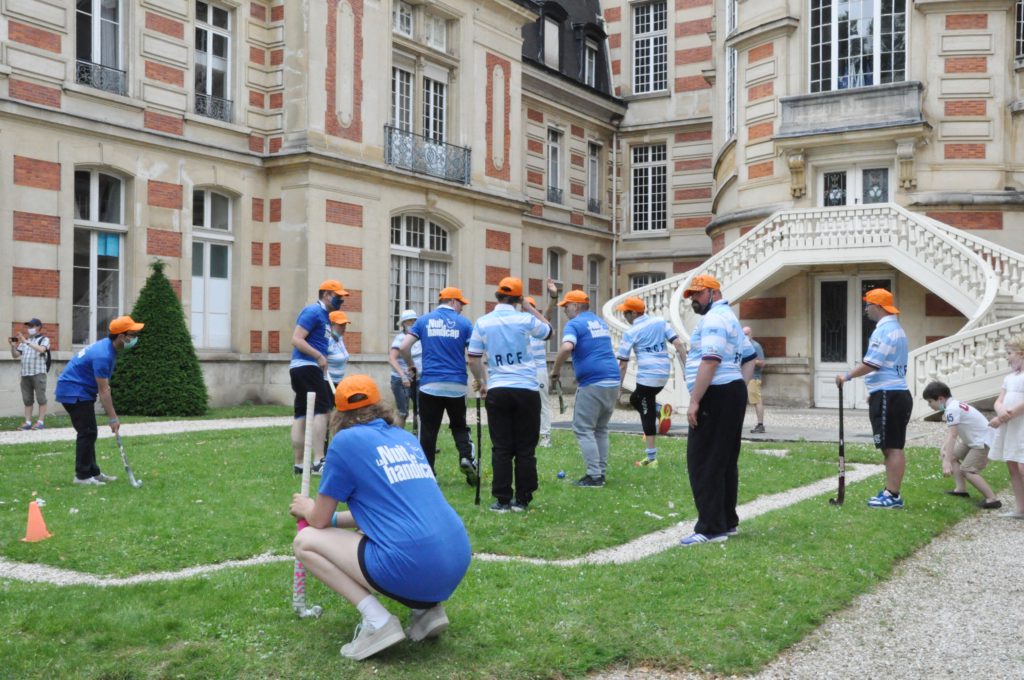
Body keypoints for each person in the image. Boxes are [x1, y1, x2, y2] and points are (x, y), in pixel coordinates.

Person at [289, 375, 471, 660]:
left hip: (413, 563)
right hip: (456, 556)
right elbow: (384, 511)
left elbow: (319, 520)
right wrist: (335, 521)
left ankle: (379, 622)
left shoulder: (346, 442)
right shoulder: (404, 438)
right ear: (380, 405)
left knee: (306, 542)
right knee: (375, 536)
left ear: (340, 414)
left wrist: (306, 507)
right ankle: (426, 610)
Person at [680, 274, 755, 546]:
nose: (693, 301)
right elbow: (749, 357)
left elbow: (710, 361)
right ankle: (727, 521)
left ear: (713, 292)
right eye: (691, 296)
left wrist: (695, 400)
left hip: (716, 394)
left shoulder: (712, 319)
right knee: (724, 461)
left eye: (698, 295)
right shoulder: (730, 317)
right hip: (730, 391)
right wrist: (738, 384)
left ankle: (711, 527)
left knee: (703, 461)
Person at [468, 277, 552, 512]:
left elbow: (473, 358)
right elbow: (549, 331)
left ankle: (502, 499)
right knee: (525, 448)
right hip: (526, 388)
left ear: (497, 296)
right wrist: (528, 306)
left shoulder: (483, 322)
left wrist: (481, 382)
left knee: (501, 447)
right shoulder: (525, 319)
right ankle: (523, 499)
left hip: (498, 388)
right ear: (517, 298)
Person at [836, 288, 913, 509]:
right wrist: (874, 392)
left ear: (878, 306)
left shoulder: (884, 331)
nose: (866, 309)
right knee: (890, 445)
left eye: (868, 305)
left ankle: (892, 495)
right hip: (890, 392)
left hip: (890, 393)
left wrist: (846, 376)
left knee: (892, 447)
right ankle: (891, 493)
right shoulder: (896, 328)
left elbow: (873, 363)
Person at [399, 287, 478, 485]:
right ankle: (466, 457)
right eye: (461, 304)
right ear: (452, 302)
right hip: (456, 385)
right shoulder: (464, 324)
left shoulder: (424, 321)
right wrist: (480, 379)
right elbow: (474, 354)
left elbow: (403, 347)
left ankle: (428, 472)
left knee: (428, 429)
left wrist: (411, 365)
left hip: (430, 384)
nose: (462, 308)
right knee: (459, 426)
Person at [55, 315, 143, 485]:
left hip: (79, 391)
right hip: (73, 391)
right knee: (87, 432)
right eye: (132, 334)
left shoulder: (108, 348)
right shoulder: (103, 355)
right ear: (121, 337)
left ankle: (92, 472)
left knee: (90, 431)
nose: (135, 338)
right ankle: (81, 476)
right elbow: (104, 391)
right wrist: (113, 418)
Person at [550, 289, 620, 487]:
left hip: (593, 381)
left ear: (576, 306)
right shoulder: (598, 322)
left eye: (566, 306)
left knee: (583, 428)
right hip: (612, 379)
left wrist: (555, 371)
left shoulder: (575, 324)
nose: (564, 310)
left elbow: (566, 347)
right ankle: (600, 473)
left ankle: (594, 476)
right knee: (601, 428)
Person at [615, 296, 686, 468]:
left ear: (632, 313)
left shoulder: (631, 333)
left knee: (646, 413)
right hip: (663, 374)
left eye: (625, 313)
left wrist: (617, 388)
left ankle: (651, 459)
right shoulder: (660, 322)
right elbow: (678, 344)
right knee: (635, 399)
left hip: (647, 376)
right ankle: (659, 412)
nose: (624, 316)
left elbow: (623, 364)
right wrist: (687, 369)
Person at [289, 280, 349, 475]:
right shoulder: (313, 312)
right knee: (321, 411)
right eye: (338, 296)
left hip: (304, 368)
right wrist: (318, 356)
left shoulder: (324, 316)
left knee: (301, 414)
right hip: (307, 367)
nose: (341, 299)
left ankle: (299, 464)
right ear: (326, 295)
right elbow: (296, 339)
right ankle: (318, 461)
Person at [921, 381, 1001, 509]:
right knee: (953, 456)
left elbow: (953, 435)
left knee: (968, 470)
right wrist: (945, 448)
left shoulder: (952, 409)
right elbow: (952, 434)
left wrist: (946, 462)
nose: (929, 405)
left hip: (981, 442)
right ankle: (961, 490)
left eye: (930, 401)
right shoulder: (953, 405)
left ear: (940, 398)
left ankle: (992, 499)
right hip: (972, 440)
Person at [986, 334, 1024, 519]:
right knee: (1013, 465)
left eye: (1009, 353)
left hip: (1021, 424)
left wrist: (1002, 418)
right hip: (1011, 425)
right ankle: (1020, 508)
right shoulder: (1009, 377)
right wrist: (999, 410)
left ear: (1022, 353)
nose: (1007, 357)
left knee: (1023, 466)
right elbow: (999, 399)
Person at [527, 284, 558, 447]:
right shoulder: (520, 327)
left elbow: (547, 314)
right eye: (526, 308)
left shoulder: (539, 328)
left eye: (531, 308)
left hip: (538, 372)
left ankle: (545, 436)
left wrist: (553, 298)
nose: (527, 311)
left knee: (542, 404)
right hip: (523, 373)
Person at [9, 318, 50, 430]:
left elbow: (41, 350)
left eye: (31, 326)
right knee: (27, 400)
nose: (29, 329)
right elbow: (15, 355)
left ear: (38, 327)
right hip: (25, 374)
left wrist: (26, 341)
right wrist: (13, 346)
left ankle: (40, 422)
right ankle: (28, 422)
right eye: (28, 326)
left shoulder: (44, 339)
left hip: (38, 373)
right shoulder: (25, 341)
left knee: (41, 398)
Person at [387, 309, 422, 431]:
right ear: (403, 324)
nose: (412, 323)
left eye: (414, 321)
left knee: (421, 410)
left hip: (417, 379)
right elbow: (392, 359)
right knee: (403, 412)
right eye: (408, 321)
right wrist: (403, 376)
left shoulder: (419, 338)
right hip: (401, 380)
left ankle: (420, 439)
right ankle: (396, 439)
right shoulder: (400, 338)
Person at [743, 326, 767, 433]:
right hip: (744, 378)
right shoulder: (742, 345)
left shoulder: (756, 346)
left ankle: (760, 425)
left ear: (751, 334)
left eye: (747, 334)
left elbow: (762, 363)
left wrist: (750, 360)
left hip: (753, 378)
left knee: (756, 401)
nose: (745, 336)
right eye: (743, 334)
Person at [326, 310, 351, 388]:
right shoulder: (328, 339)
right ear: (331, 324)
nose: (344, 327)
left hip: (338, 382)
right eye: (341, 325)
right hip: (327, 382)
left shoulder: (339, 339)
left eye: (345, 324)